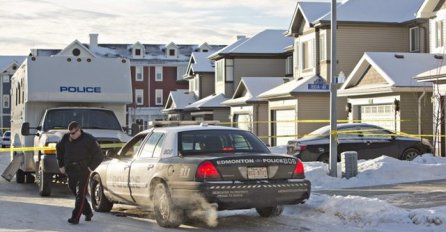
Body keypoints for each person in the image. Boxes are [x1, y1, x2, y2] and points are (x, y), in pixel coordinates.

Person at [56, 121, 103, 224]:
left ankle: (75, 217)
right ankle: (88, 212)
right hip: (70, 169)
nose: (71, 135)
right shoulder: (65, 138)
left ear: (79, 130)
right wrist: (61, 165)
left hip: (83, 170)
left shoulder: (89, 139)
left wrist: (90, 168)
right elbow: (58, 148)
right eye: (70, 133)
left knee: (80, 193)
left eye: (73, 133)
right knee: (74, 190)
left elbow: (99, 155)